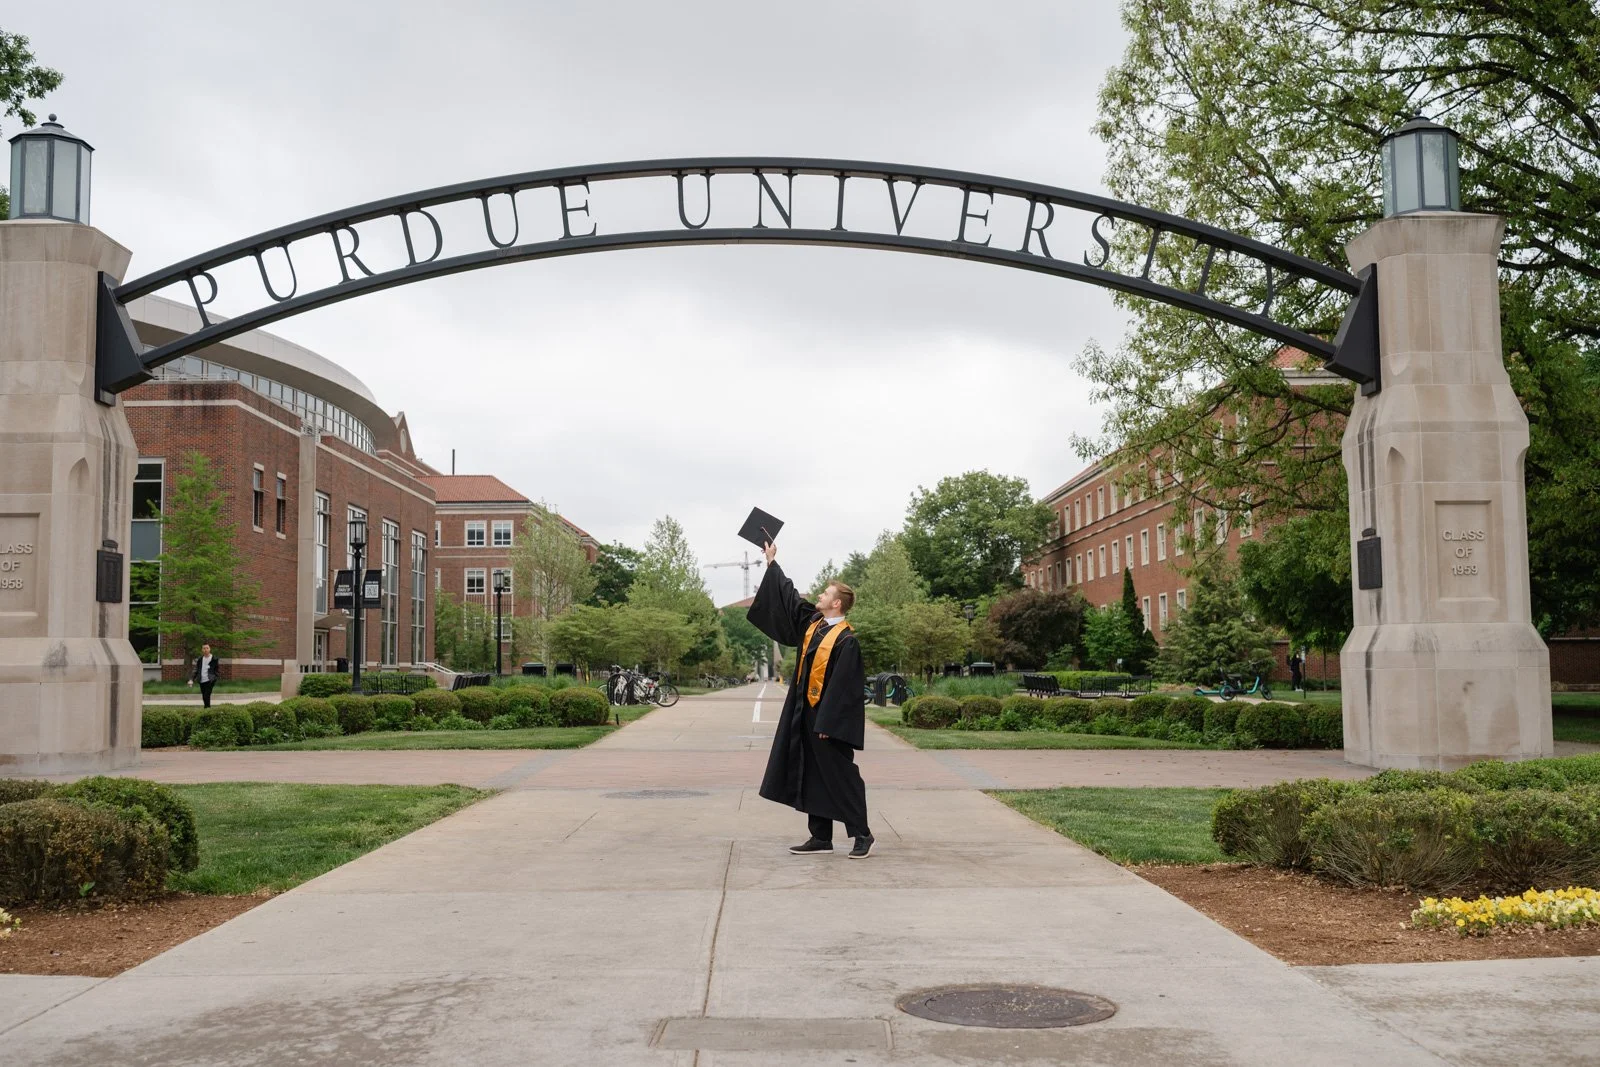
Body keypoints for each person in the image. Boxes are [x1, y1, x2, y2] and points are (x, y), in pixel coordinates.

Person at [747, 538, 873, 858]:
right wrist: (772, 563)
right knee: (811, 773)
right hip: (804, 712)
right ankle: (820, 837)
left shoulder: (846, 641)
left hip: (828, 720)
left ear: (837, 604)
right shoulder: (813, 623)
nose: (819, 595)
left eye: (826, 594)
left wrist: (829, 723)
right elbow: (789, 598)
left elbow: (845, 688)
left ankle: (862, 834)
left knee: (839, 776)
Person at [188, 643, 219, 708]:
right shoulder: (200, 659)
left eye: (207, 648)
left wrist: (215, 677)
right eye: (204, 648)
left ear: (210, 649)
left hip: (210, 680)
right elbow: (196, 670)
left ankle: (207, 709)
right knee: (204, 696)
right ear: (202, 650)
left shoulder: (214, 659)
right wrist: (191, 679)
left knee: (207, 695)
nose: (206, 650)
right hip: (202, 680)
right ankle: (207, 708)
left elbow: (217, 670)